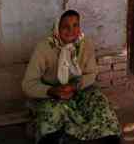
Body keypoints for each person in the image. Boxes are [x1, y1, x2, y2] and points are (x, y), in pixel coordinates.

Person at [22, 10, 121, 143]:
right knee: (52, 113)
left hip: (78, 89)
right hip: (52, 93)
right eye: (65, 27)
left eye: (75, 25)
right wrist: (53, 91)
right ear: (57, 28)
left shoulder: (85, 44)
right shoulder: (44, 48)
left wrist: (75, 86)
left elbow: (91, 74)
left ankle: (107, 138)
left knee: (100, 103)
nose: (71, 30)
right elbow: (28, 84)